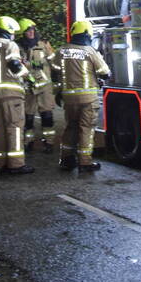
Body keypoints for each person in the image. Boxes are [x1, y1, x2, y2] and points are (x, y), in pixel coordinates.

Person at [52, 20, 110, 173]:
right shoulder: (90, 51)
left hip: (69, 99)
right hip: (88, 99)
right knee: (86, 128)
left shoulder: (62, 51)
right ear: (87, 33)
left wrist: (58, 91)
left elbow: (55, 70)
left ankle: (66, 159)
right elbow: (105, 71)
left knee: (71, 127)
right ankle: (85, 162)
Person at [0, 16, 34, 174]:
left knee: (1, 129)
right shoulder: (10, 44)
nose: (14, 35)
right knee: (14, 127)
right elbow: (14, 64)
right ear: (8, 30)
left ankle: (2, 163)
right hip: (11, 93)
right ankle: (16, 164)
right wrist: (26, 74)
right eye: (13, 32)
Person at [17, 18, 56, 153]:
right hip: (29, 86)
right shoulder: (19, 47)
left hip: (45, 87)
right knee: (28, 117)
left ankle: (49, 142)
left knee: (47, 115)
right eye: (28, 30)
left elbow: (54, 62)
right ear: (23, 33)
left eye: (33, 29)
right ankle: (28, 142)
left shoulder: (44, 44)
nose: (31, 32)